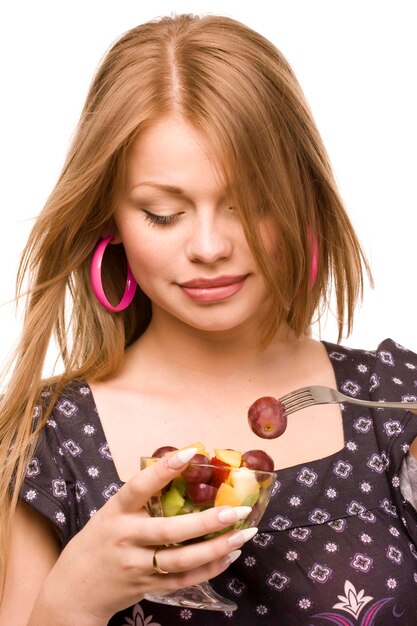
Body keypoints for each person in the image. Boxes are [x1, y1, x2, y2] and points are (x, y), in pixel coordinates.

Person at [1, 12, 417, 626]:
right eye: (165, 213)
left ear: (302, 200)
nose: (209, 246)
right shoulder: (46, 443)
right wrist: (76, 597)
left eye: (249, 205)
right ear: (109, 219)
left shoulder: (393, 403)